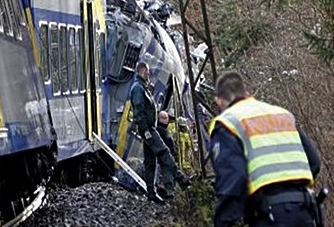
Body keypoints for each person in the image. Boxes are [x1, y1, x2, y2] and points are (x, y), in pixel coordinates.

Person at [209, 71, 322, 227]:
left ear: (219, 101)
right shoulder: (282, 114)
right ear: (247, 93)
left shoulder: (228, 123)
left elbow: (234, 178)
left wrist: (224, 221)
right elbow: (314, 162)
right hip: (305, 211)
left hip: (269, 214)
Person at [130, 62, 190, 203]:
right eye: (148, 71)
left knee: (150, 161)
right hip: (148, 129)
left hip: (148, 129)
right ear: (142, 71)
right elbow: (139, 111)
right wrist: (146, 130)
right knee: (164, 152)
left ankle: (151, 192)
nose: (149, 74)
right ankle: (181, 179)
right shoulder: (138, 88)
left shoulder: (142, 87)